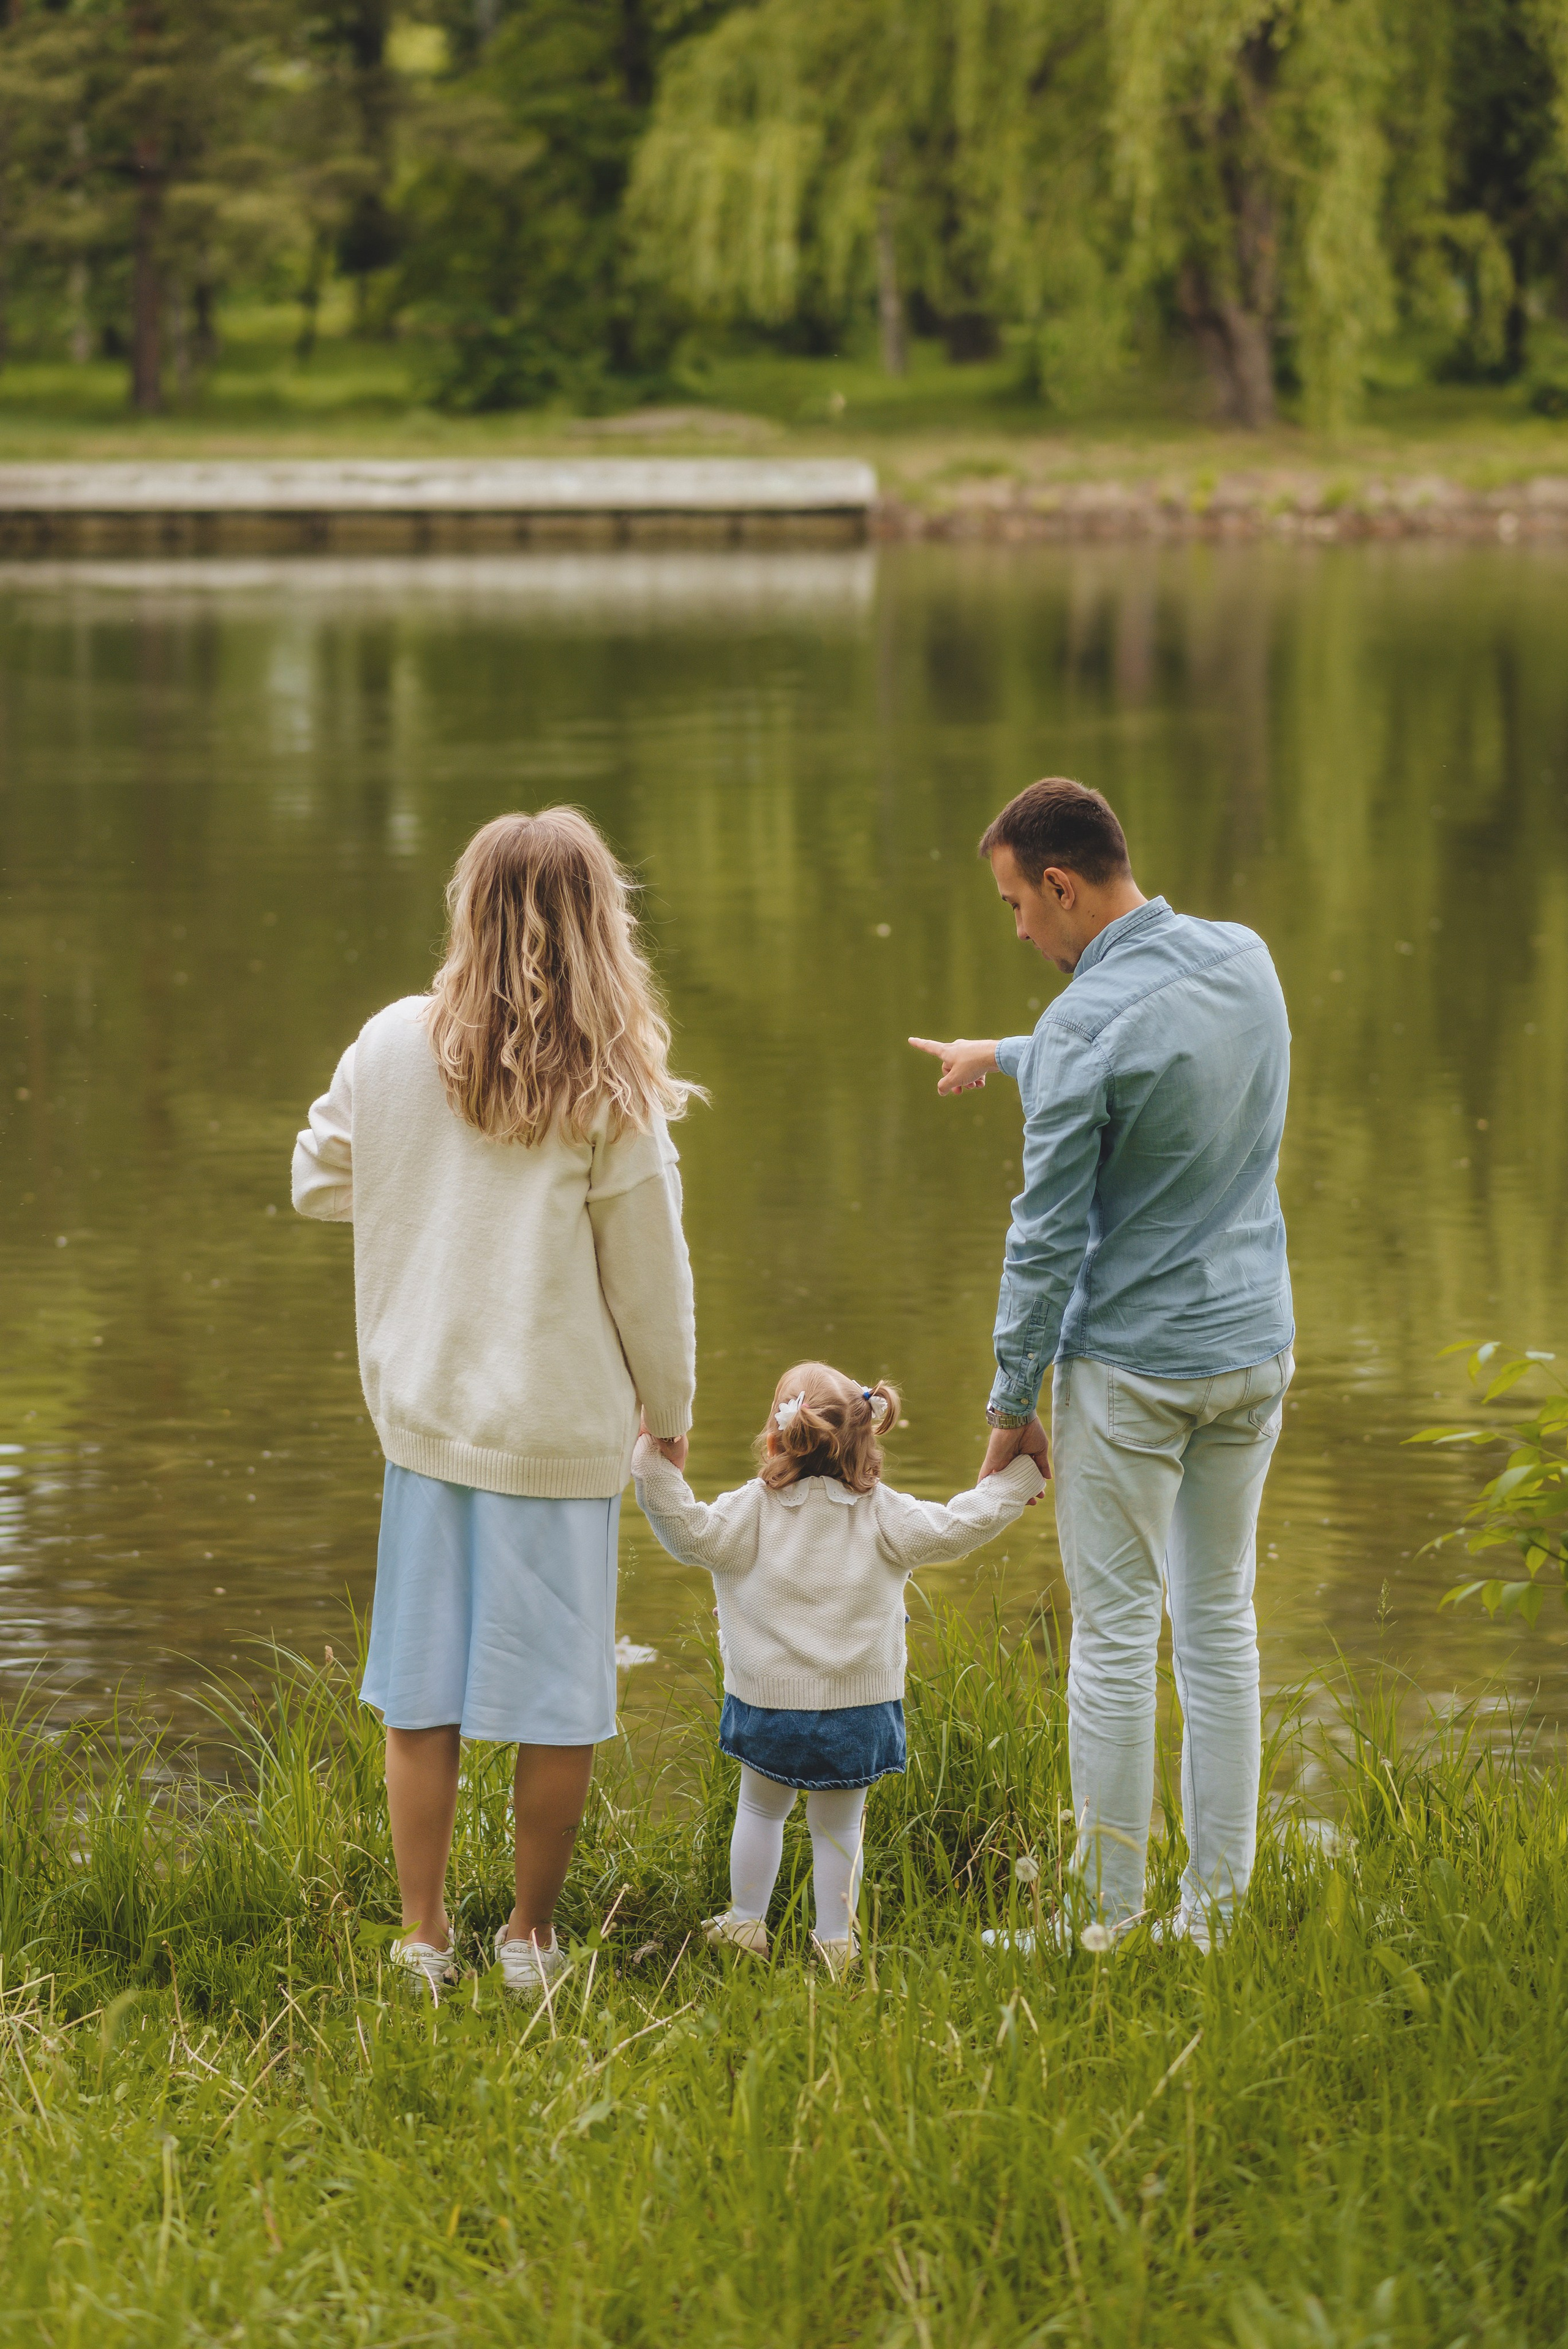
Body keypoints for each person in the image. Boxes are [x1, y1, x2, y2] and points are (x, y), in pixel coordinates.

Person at [292, 808, 698, 2003]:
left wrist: (418, 1193)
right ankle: (528, 1939)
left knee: (420, 1695)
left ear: (467, 909)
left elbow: (317, 1175)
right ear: (599, 923)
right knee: (555, 1704)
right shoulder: (611, 1083)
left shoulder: (390, 1045)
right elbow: (650, 1278)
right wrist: (669, 1407)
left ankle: (423, 1939)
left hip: (427, 1425)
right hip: (557, 1436)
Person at [910, 777, 1293, 1946]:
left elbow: (1044, 1238)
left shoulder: (1086, 1023)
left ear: (1061, 884)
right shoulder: (1245, 959)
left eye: (1017, 905)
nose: (1019, 929)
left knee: (1118, 1640)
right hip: (1253, 1350)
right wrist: (1007, 1050)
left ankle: (1104, 1917)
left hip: (1135, 1372)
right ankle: (1216, 1911)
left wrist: (1008, 1401)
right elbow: (1146, 1047)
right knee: (1218, 1624)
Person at [632, 1359, 1043, 1973]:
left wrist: (653, 1461)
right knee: (839, 1831)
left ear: (777, 1438)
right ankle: (836, 1944)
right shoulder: (883, 1513)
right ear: (867, 1438)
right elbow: (961, 1524)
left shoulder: (751, 1510)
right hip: (860, 1708)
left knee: (759, 1811)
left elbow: (686, 1531)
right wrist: (1019, 1476)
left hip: (768, 1704)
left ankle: (746, 1923)